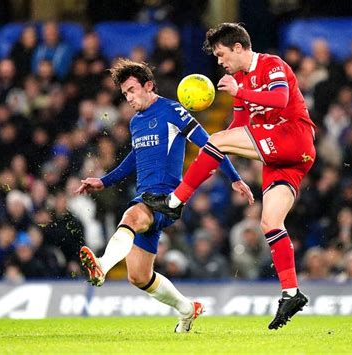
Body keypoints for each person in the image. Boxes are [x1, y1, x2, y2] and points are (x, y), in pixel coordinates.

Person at [142, 23, 317, 330]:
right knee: (270, 222)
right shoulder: (238, 79)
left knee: (218, 140)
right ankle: (291, 292)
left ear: (238, 48)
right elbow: (236, 129)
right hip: (282, 158)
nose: (219, 62)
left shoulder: (272, 65)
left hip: (293, 136)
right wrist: (234, 176)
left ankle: (175, 200)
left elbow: (279, 99)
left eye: (221, 54)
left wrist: (240, 91)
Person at [76, 58, 253, 333]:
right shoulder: (136, 122)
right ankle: (187, 309)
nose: (129, 98)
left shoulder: (173, 111)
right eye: (125, 94)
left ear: (149, 85)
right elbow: (134, 158)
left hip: (167, 197)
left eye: (133, 90)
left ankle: (102, 265)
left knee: (130, 216)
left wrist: (235, 178)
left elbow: (210, 145)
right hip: (147, 198)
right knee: (138, 276)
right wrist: (104, 180)